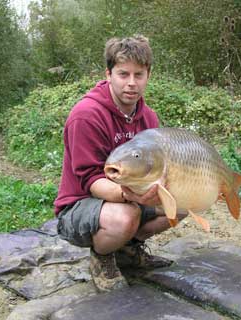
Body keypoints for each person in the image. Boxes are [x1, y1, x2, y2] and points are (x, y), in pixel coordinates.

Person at [54, 35, 181, 293]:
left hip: (132, 197)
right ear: (109, 74)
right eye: (123, 74)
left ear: (148, 75)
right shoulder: (86, 115)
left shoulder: (148, 117)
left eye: (139, 74)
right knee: (126, 216)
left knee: (182, 204)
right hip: (79, 206)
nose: (131, 83)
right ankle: (102, 258)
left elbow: (157, 165)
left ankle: (127, 250)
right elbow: (91, 181)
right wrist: (129, 195)